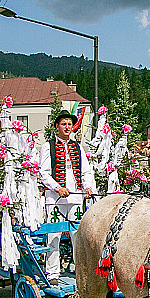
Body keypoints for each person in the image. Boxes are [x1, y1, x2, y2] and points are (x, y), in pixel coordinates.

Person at [39, 111, 96, 280]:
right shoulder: (48, 146)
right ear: (57, 126)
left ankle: (80, 271)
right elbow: (44, 173)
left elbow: (86, 171)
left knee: (77, 236)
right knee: (53, 235)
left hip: (75, 198)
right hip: (54, 199)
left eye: (69, 124)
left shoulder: (77, 147)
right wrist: (57, 188)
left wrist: (88, 187)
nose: (67, 127)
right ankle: (52, 273)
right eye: (63, 124)